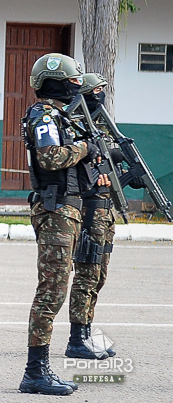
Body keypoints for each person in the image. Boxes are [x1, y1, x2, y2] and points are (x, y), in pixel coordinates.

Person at [19, 53, 99, 396]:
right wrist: (84, 147)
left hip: (68, 210)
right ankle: (35, 372)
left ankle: (39, 369)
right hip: (55, 211)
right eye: (73, 81)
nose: (78, 86)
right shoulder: (44, 115)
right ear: (56, 83)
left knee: (57, 288)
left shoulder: (62, 117)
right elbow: (50, 157)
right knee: (51, 290)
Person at [66, 72, 143, 360]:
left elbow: (108, 166)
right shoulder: (74, 125)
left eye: (103, 89)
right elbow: (79, 166)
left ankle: (87, 332)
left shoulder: (101, 126)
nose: (100, 94)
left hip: (105, 209)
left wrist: (127, 174)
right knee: (87, 272)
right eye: (96, 90)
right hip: (88, 208)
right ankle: (77, 338)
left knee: (99, 274)